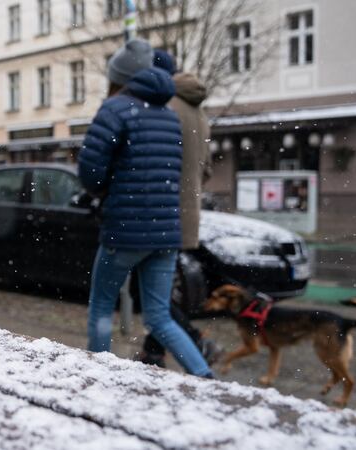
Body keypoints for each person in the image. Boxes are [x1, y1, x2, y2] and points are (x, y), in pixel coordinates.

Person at [79, 39, 213, 378]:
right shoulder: (168, 114)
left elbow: (90, 173)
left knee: (100, 308)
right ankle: (203, 375)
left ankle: (98, 375)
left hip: (125, 229)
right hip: (166, 231)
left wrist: (106, 183)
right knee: (159, 316)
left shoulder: (114, 109)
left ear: (119, 77)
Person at [139, 50, 222, 369]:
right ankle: (153, 354)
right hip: (187, 212)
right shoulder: (199, 112)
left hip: (159, 209)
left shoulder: (164, 107)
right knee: (160, 291)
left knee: (153, 297)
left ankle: (196, 341)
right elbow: (207, 169)